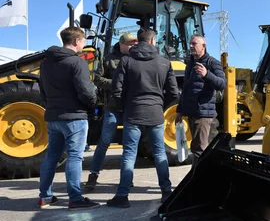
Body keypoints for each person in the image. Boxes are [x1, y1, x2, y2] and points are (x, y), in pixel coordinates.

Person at [106, 28, 179, 208]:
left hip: (133, 113)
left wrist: (126, 105)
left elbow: (116, 89)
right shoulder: (164, 63)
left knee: (129, 154)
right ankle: (166, 192)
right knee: (160, 153)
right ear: (153, 41)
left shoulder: (126, 61)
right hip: (155, 114)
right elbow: (173, 92)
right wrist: (159, 105)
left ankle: (122, 196)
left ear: (138, 41)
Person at [38, 27, 99, 209]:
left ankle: (45, 197)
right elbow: (86, 91)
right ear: (75, 42)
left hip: (53, 116)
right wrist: (93, 102)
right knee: (75, 157)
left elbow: (43, 91)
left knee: (51, 157)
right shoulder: (76, 62)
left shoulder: (45, 63)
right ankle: (75, 198)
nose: (83, 44)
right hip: (74, 117)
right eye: (82, 41)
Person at [84, 33, 137, 191]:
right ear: (121, 44)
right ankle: (93, 175)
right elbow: (97, 79)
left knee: (130, 145)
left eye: (134, 44)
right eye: (129, 44)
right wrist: (117, 84)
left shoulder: (137, 58)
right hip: (112, 108)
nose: (132, 46)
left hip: (130, 108)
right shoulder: (108, 59)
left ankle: (127, 178)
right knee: (104, 142)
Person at [175, 35, 226, 164]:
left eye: (194, 43)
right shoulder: (190, 64)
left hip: (204, 114)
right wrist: (180, 110)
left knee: (200, 150)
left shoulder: (212, 63)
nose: (191, 46)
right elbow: (186, 89)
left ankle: (199, 182)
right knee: (196, 148)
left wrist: (207, 74)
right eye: (190, 43)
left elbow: (222, 84)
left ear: (203, 46)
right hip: (192, 113)